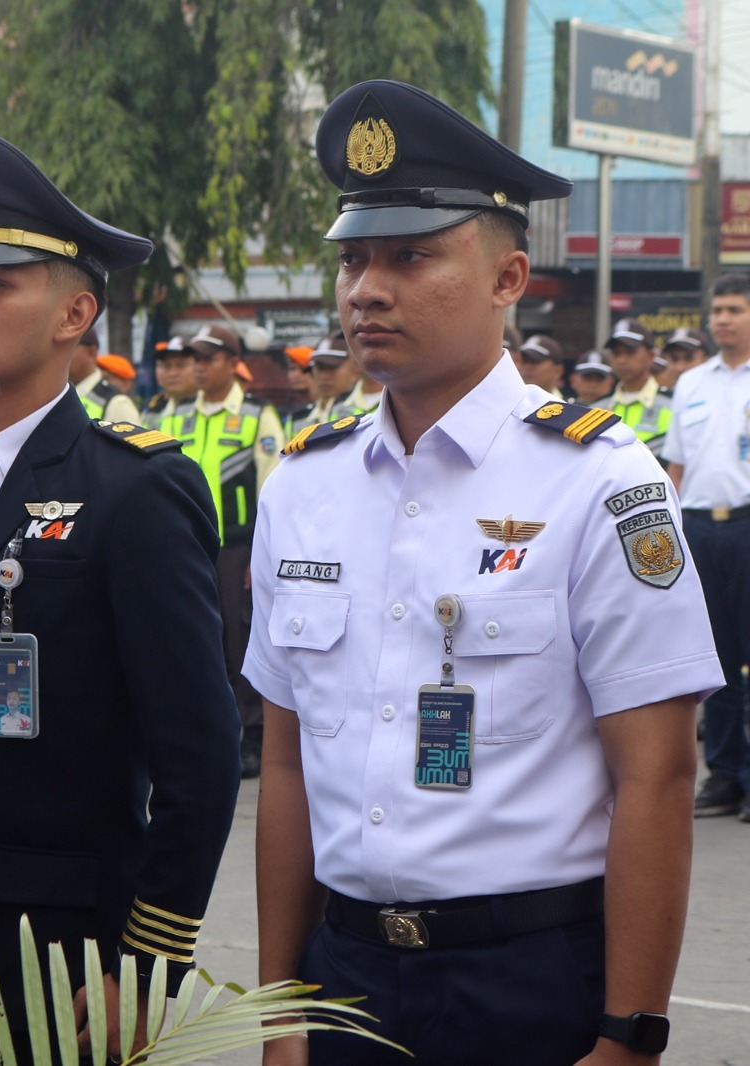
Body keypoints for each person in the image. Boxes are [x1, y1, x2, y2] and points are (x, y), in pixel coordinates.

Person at [249, 79, 721, 1065]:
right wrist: (279, 1003)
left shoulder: (602, 481)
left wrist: (628, 1034)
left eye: (410, 256)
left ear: (508, 279)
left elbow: (657, 774)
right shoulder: (303, 483)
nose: (364, 290)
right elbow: (287, 763)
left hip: (526, 984)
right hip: (343, 981)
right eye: (352, 259)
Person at [0, 131, 240, 1065]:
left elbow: (200, 755)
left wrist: (144, 967)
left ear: (75, 312)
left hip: (61, 961)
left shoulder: (134, 488)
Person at [663, 273, 750, 821]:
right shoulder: (691, 382)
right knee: (715, 658)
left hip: (748, 525)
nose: (722, 318)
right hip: (698, 526)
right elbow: (676, 466)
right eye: (717, 309)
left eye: (735, 309)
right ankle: (725, 774)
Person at [184, 322, 284, 780]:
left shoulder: (257, 415)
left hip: (235, 547)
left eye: (208, 358)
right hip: (185, 544)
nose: (199, 367)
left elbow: (271, 487)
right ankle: (208, 730)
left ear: (231, 361)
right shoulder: (180, 415)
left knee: (239, 639)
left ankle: (253, 735)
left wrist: (259, 555)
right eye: (196, 359)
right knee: (194, 638)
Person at [599, 318, 671, 459]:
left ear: (651, 355)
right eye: (616, 353)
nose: (622, 360)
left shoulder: (673, 405)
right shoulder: (596, 409)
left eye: (630, 352)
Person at [70, 329, 139, 422]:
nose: (61, 355)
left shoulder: (117, 403)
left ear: (92, 352)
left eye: (70, 347)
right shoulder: (55, 394)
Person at [144, 337, 201, 444]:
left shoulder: (207, 406)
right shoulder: (153, 409)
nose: (172, 373)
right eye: (166, 366)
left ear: (198, 367)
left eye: (181, 365)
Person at [302, 332, 364, 424]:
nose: (324, 377)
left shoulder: (371, 409)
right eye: (320, 368)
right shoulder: (300, 418)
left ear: (355, 366)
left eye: (332, 368)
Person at [514, 333, 568, 397]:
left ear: (558, 371)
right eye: (524, 361)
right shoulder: (505, 404)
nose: (527, 367)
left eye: (535, 361)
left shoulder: (569, 406)